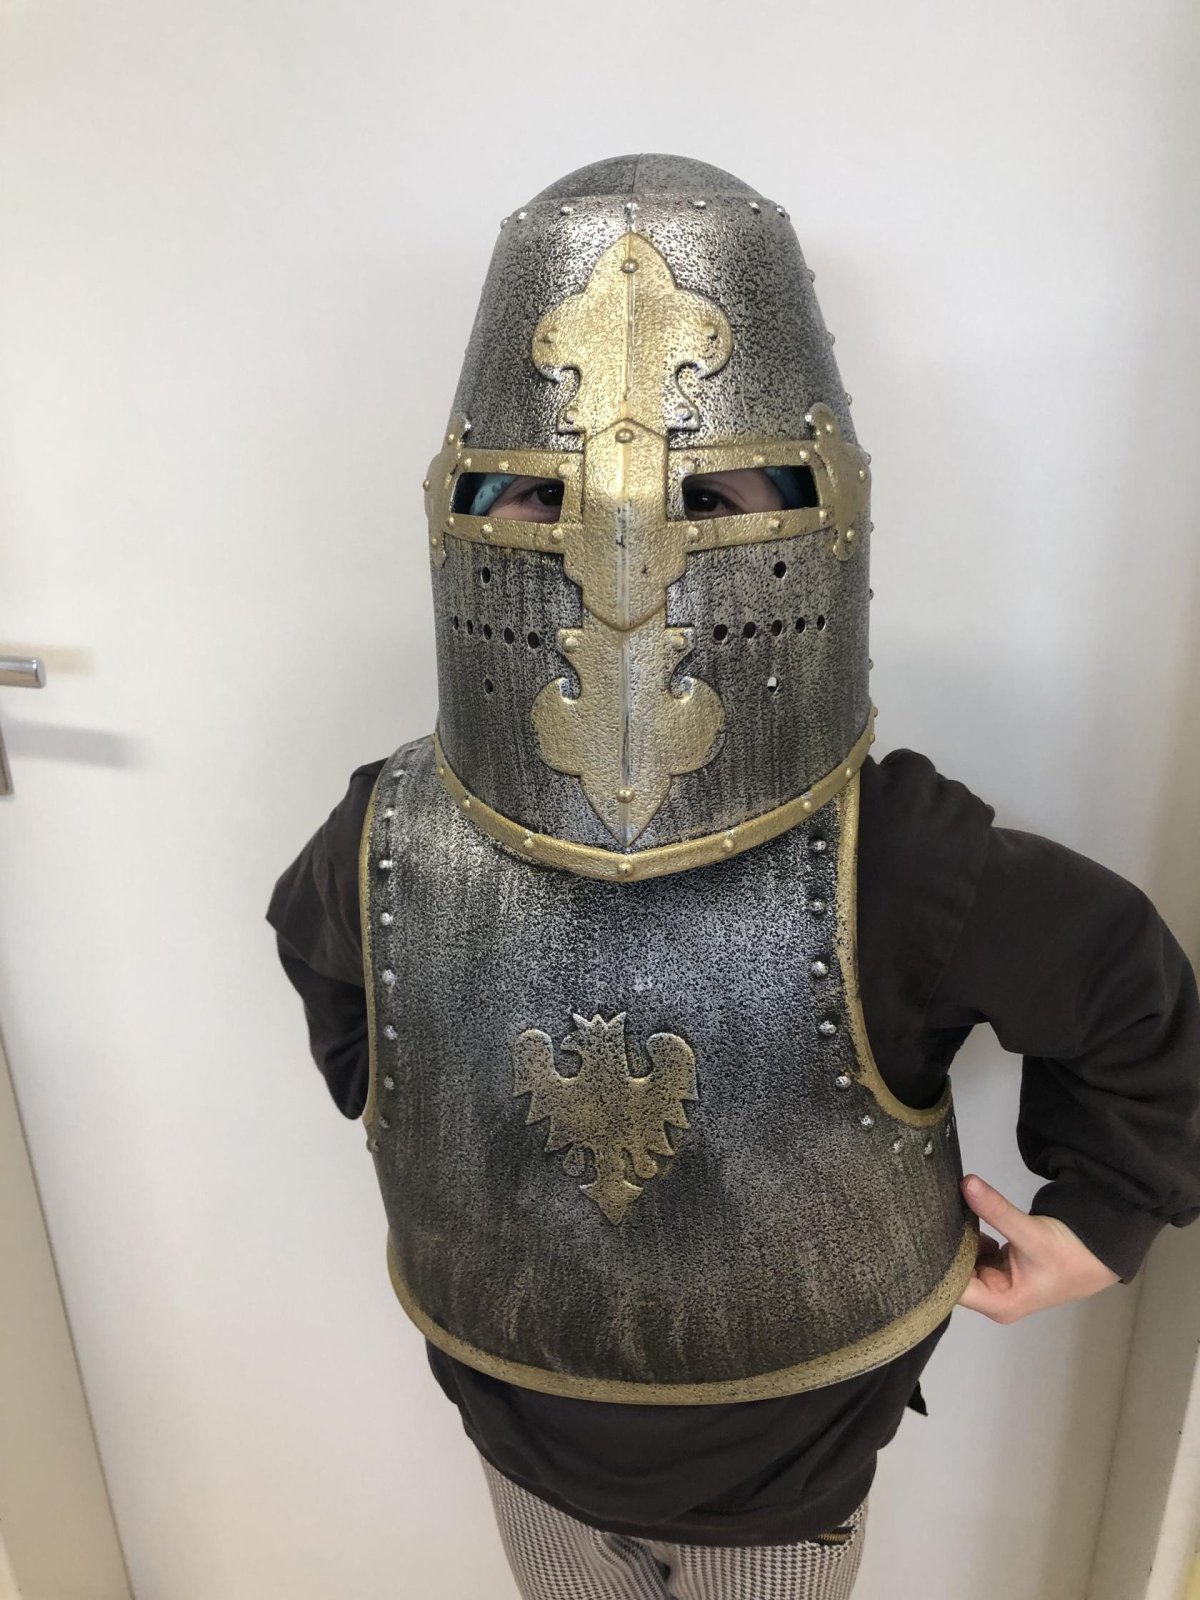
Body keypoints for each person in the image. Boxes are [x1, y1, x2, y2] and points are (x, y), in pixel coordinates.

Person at [266, 154, 1200, 1599]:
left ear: (822, 514)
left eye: (708, 495)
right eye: (544, 497)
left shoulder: (898, 857)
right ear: (468, 512)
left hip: (793, 1473)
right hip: (515, 1428)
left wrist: (1110, 1208)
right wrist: (406, 1087)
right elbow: (334, 975)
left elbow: (1125, 987)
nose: (623, 557)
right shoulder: (392, 835)